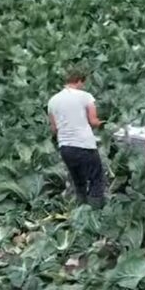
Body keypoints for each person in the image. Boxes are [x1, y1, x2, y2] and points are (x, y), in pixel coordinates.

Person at [48, 70, 105, 208]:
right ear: (79, 81)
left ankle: (81, 214)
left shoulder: (52, 100)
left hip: (65, 147)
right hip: (84, 144)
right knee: (96, 179)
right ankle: (95, 214)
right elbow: (93, 121)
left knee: (79, 182)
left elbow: (54, 129)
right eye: (82, 83)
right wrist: (106, 124)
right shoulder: (86, 96)